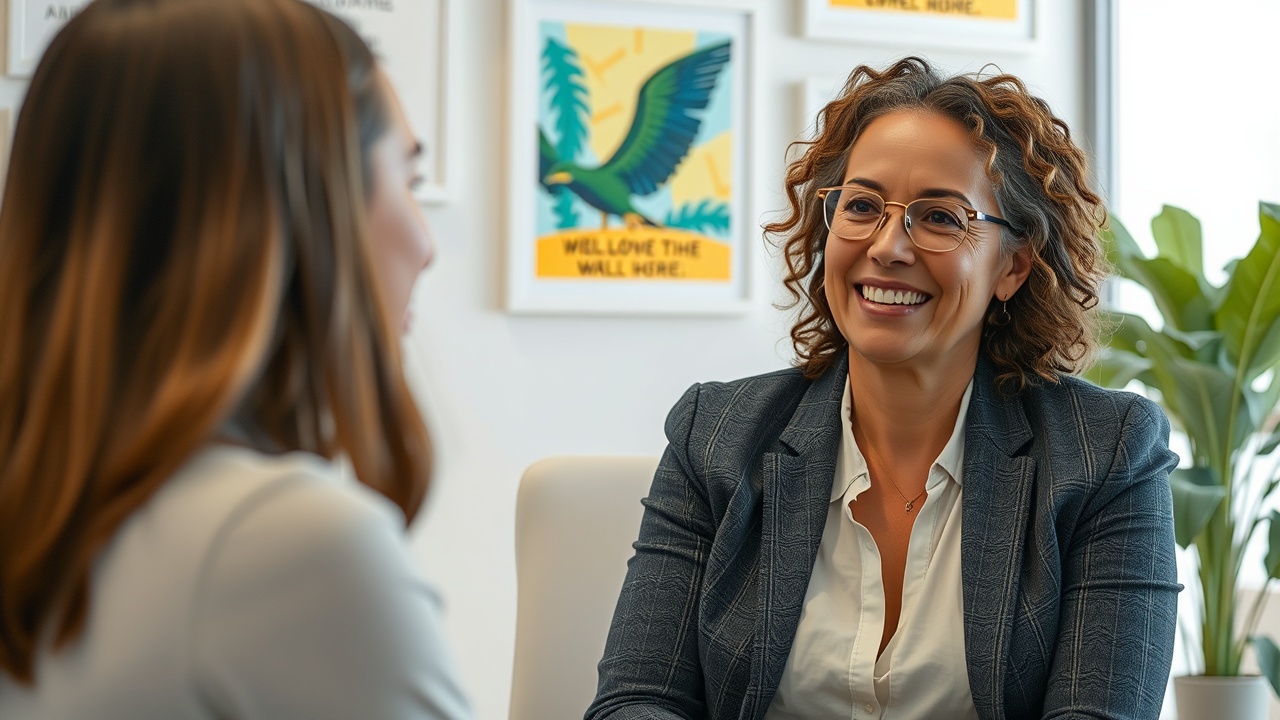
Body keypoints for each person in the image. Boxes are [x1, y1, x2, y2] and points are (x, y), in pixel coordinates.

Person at [587, 57, 1179, 720]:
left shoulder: (1105, 454)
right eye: (862, 206)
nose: (888, 246)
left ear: (1012, 266)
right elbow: (640, 701)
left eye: (940, 217)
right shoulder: (717, 436)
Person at [0, 1, 469, 718]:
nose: (427, 245)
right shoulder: (289, 547)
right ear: (306, 206)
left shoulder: (46, 525)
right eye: (406, 178)